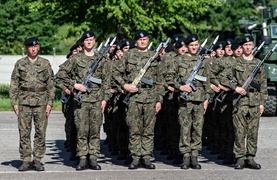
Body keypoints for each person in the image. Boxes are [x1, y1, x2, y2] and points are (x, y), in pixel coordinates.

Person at [54, 30, 110, 170]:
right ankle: (83, 158)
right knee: (81, 131)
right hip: (81, 102)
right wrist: (74, 85)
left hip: (97, 101)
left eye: (91, 39)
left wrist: (105, 99)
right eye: (86, 40)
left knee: (95, 131)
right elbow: (59, 76)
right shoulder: (76, 59)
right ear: (83, 43)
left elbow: (107, 82)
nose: (89, 42)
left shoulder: (102, 60)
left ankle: (93, 158)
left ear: (95, 41)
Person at [112, 30, 164, 169]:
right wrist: (125, 85)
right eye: (140, 40)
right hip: (133, 99)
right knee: (134, 129)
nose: (143, 41)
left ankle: (146, 157)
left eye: (145, 39)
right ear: (136, 41)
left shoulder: (154, 56)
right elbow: (115, 72)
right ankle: (135, 157)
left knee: (148, 130)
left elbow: (160, 80)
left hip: (151, 98)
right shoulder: (129, 55)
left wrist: (159, 100)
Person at [9, 37, 55, 171]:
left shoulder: (45, 63)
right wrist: (14, 102)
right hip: (24, 102)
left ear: (38, 47)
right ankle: (26, 159)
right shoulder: (20, 63)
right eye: (30, 47)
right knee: (24, 132)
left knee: (40, 132)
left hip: (41, 102)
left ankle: (37, 159)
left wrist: (50, 103)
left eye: (35, 46)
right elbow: (14, 84)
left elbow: (50, 84)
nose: (33, 49)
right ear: (27, 48)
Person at [165, 34, 211, 169]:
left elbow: (207, 81)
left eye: (196, 45)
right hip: (185, 101)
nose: (194, 47)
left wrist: (207, 99)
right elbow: (169, 78)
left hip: (199, 100)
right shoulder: (178, 60)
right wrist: (180, 87)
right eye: (191, 45)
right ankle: (185, 157)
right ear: (186, 46)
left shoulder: (203, 61)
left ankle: (194, 156)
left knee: (197, 129)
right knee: (185, 129)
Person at [230, 35, 268, 169]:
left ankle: (250, 158)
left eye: (250, 45)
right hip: (240, 102)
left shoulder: (258, 63)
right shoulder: (235, 63)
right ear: (241, 47)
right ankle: (240, 158)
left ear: (253, 46)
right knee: (239, 131)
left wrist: (262, 103)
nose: (248, 47)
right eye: (245, 45)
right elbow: (224, 78)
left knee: (253, 132)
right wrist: (236, 88)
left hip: (255, 102)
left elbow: (263, 84)